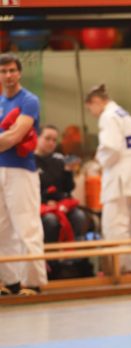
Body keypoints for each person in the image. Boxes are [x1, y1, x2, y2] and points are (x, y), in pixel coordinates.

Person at [85, 84, 131, 272]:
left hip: (119, 178)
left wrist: (98, 162)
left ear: (96, 102)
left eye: (90, 109)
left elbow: (111, 148)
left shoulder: (108, 116)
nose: (92, 113)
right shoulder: (124, 114)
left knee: (115, 224)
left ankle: (118, 268)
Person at [0, 52, 47, 296]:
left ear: (19, 73)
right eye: (3, 71)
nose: (8, 75)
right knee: (1, 228)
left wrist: (7, 138)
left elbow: (15, 136)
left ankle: (33, 282)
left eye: (12, 70)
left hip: (21, 170)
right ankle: (10, 282)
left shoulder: (29, 100)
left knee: (26, 226)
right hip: (0, 169)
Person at [35, 124, 88, 243]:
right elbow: (29, 190)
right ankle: (51, 254)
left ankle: (75, 253)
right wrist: (46, 202)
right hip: (40, 205)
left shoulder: (60, 160)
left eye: (54, 140)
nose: (51, 143)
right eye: (47, 138)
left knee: (79, 217)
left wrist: (68, 171)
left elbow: (68, 188)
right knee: (51, 221)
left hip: (60, 204)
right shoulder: (30, 161)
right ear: (37, 138)